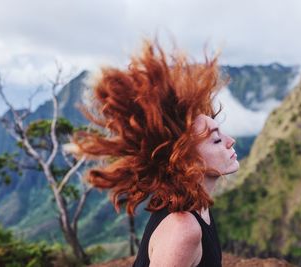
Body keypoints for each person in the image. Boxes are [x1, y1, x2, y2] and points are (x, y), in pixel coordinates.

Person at [72, 39, 239, 267]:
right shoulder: (184, 229)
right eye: (217, 139)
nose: (231, 141)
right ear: (188, 160)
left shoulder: (197, 207)